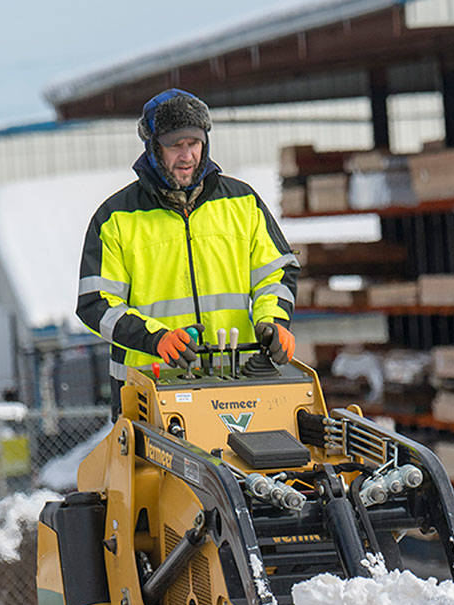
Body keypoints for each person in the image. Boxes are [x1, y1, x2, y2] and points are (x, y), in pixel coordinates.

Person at [76, 88, 298, 417]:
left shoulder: (243, 203)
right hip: (148, 395)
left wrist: (273, 321)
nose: (187, 156)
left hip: (237, 389)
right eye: (175, 146)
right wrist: (156, 339)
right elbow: (96, 302)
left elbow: (276, 273)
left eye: (194, 144)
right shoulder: (115, 218)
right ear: (153, 148)